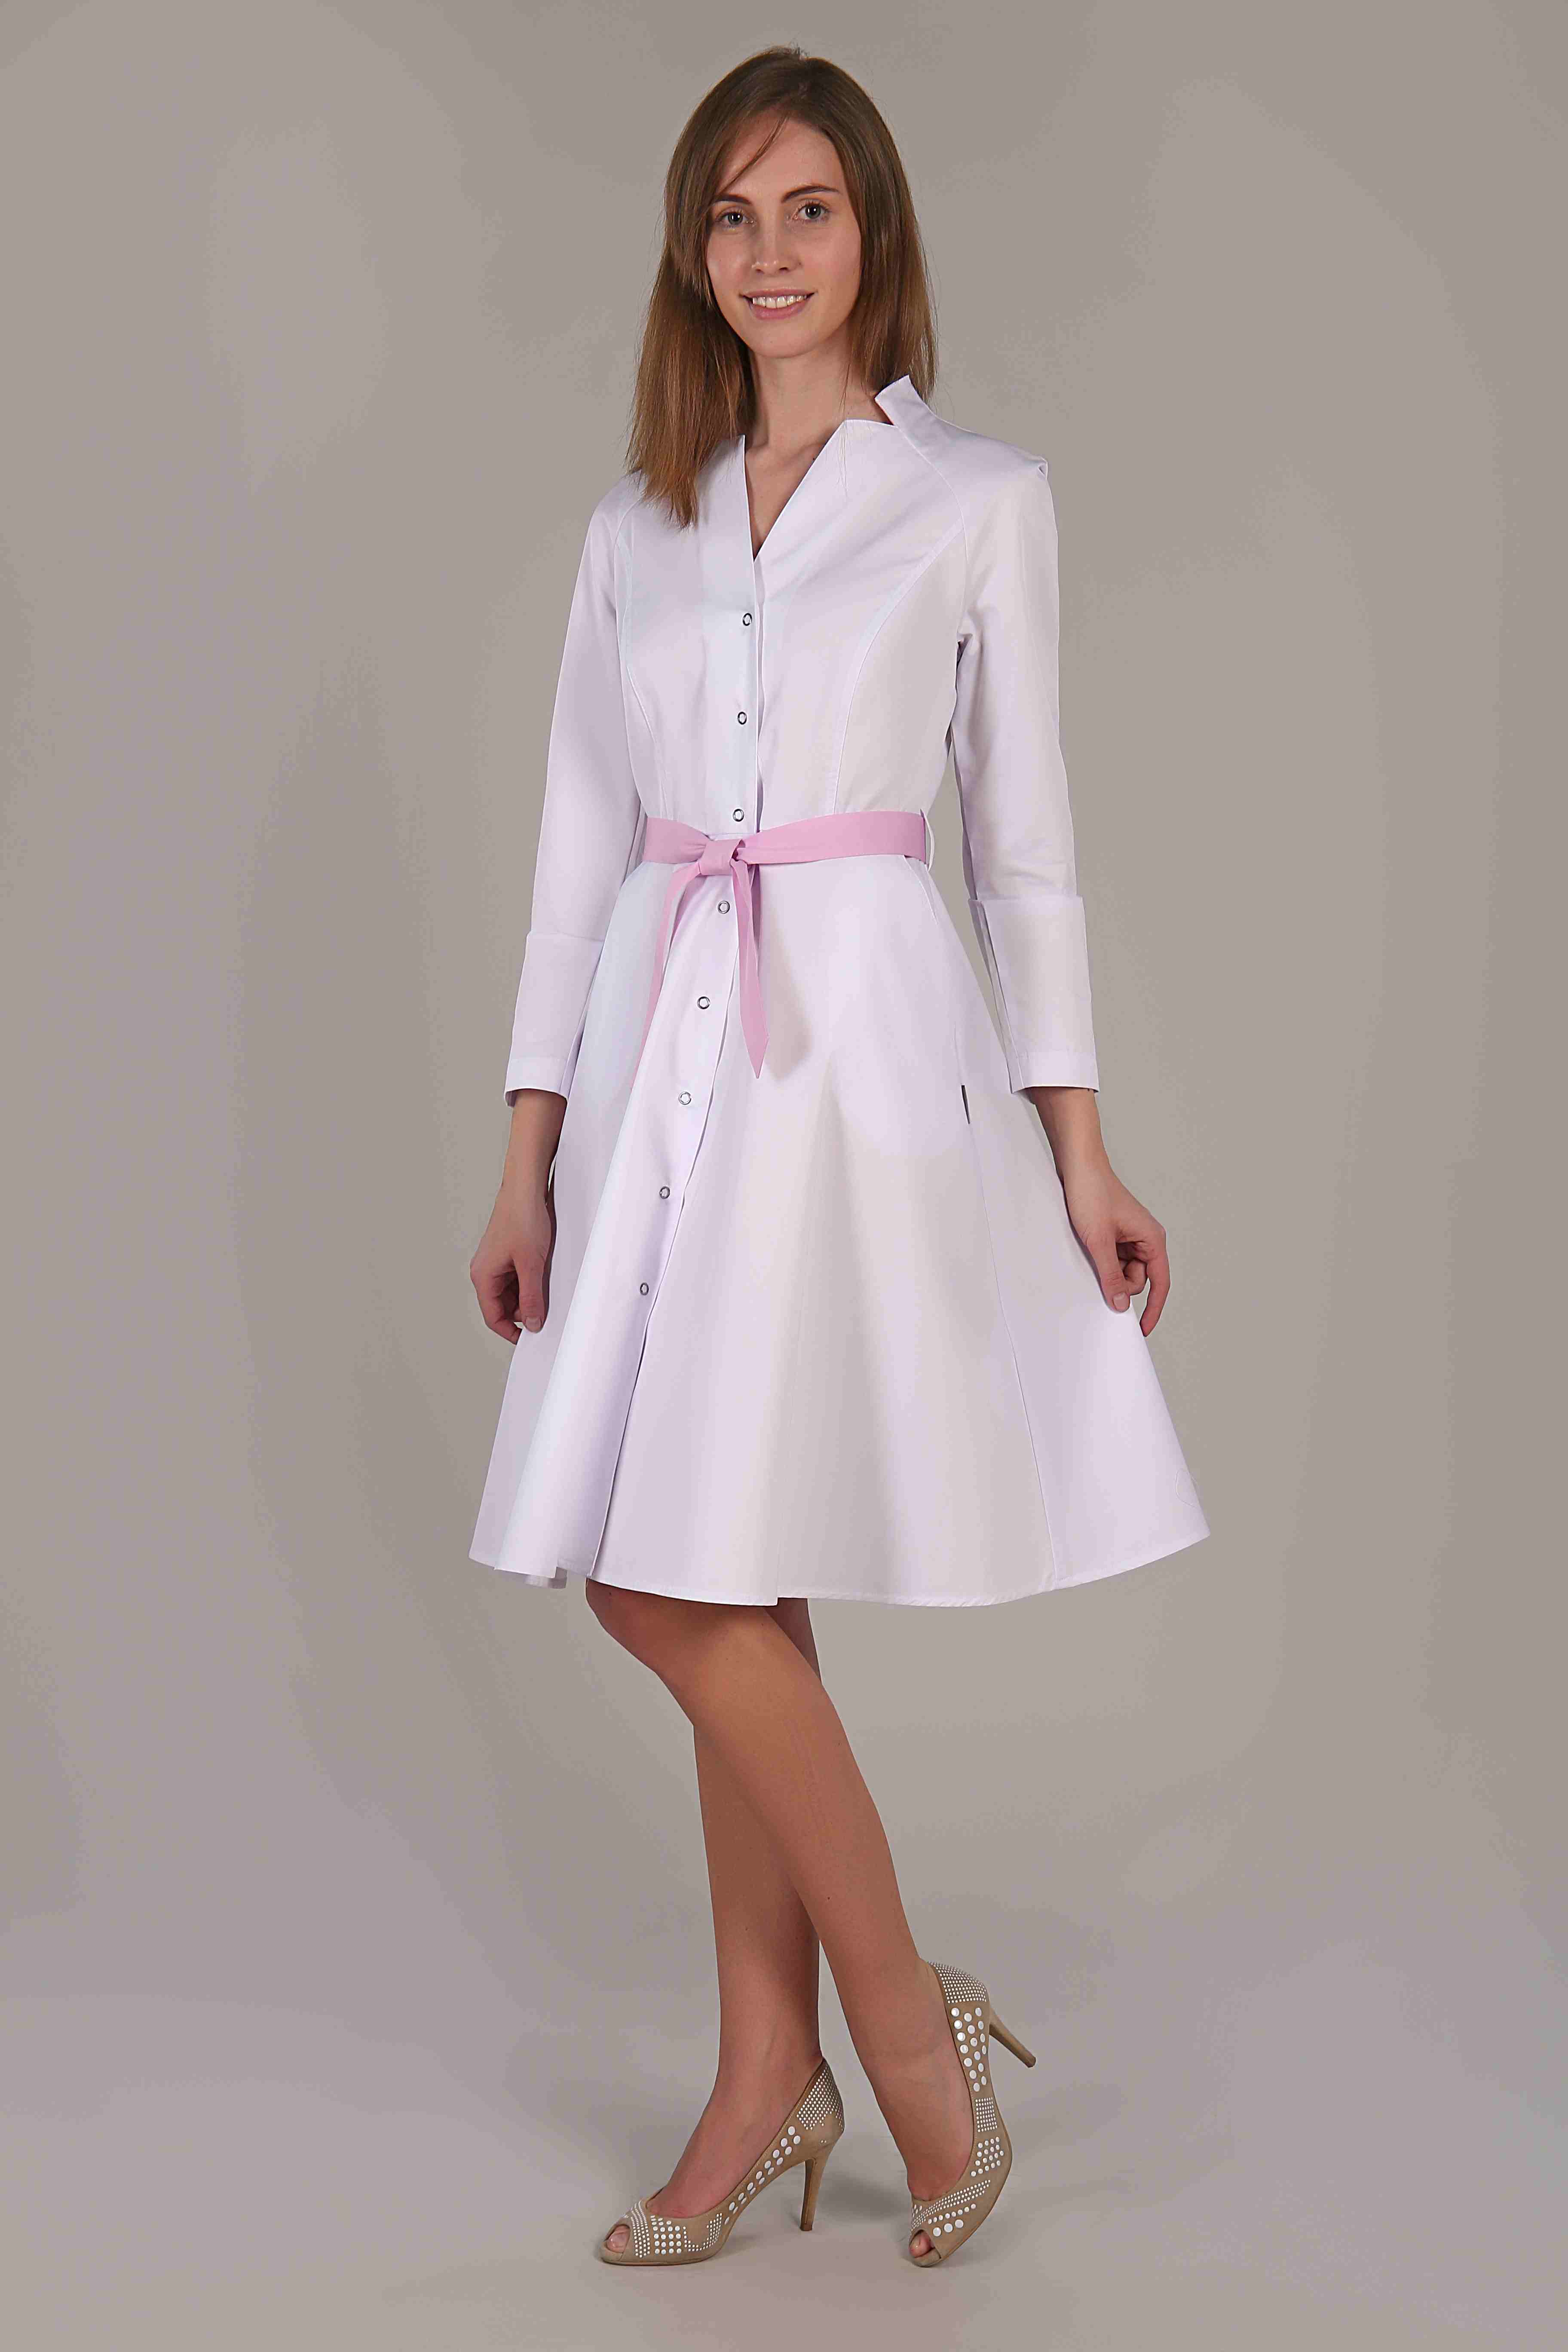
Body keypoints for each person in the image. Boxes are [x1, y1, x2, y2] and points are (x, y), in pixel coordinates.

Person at [467, 46, 1210, 2269]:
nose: (769, 252)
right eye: (731, 214)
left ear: (873, 228)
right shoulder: (641, 525)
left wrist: (1084, 1151)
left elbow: (1024, 846)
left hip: (859, 1058)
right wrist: (528, 1149)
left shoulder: (976, 499)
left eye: (807, 208)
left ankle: (870, 2034)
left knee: (702, 1562)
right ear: (689, 254)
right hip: (663, 1036)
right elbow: (578, 848)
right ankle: (785, 2060)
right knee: (691, 1555)